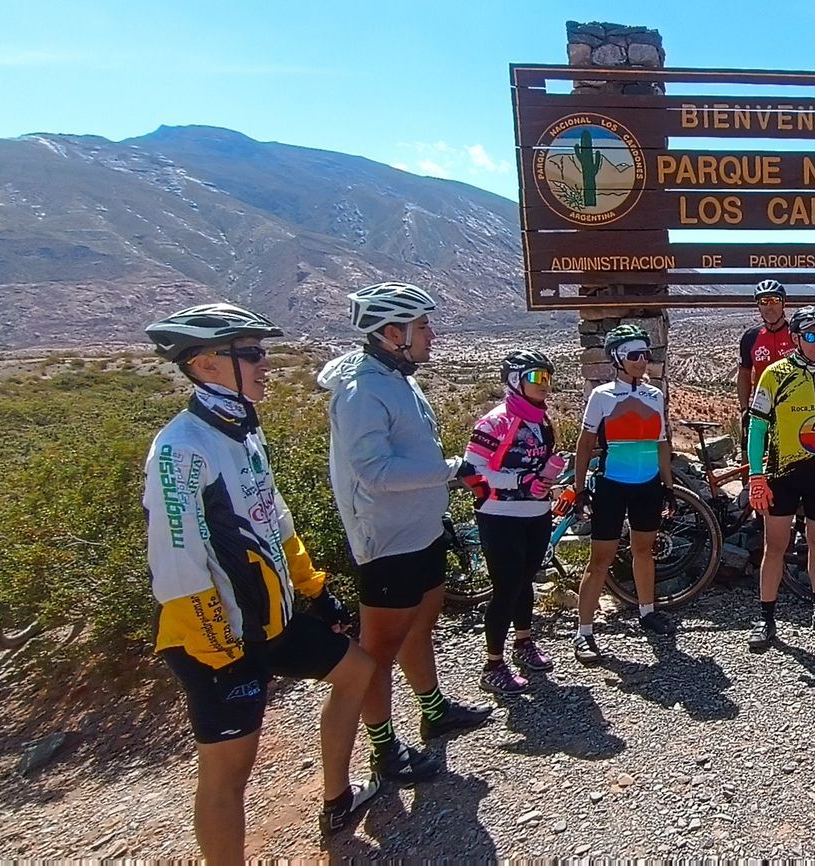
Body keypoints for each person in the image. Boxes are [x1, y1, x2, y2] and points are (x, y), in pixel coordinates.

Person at [142, 304, 420, 859]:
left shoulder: (242, 432)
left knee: (358, 669)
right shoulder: (180, 450)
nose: (265, 364)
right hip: (214, 639)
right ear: (206, 365)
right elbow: (175, 565)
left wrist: (314, 589)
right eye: (251, 354)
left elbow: (275, 520)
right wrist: (221, 648)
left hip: (272, 617)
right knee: (228, 772)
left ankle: (338, 797)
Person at [319, 281, 493, 761]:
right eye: (422, 326)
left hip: (422, 528)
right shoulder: (360, 391)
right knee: (378, 649)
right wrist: (452, 471)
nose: (431, 334)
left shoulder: (399, 378)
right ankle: (382, 747)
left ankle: (433, 710)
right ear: (391, 332)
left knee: (422, 624)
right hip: (387, 539)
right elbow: (373, 471)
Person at [745, 305, 815, 650]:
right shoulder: (774, 375)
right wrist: (756, 475)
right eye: (811, 335)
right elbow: (757, 427)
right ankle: (766, 619)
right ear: (796, 338)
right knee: (775, 546)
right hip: (782, 474)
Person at [568, 324, 677, 663]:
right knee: (600, 559)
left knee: (644, 552)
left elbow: (662, 444)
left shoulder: (654, 395)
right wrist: (579, 487)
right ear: (617, 358)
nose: (642, 361)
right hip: (613, 484)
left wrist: (669, 488)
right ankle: (584, 632)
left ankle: (647, 611)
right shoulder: (601, 396)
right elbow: (585, 444)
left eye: (645, 354)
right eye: (634, 355)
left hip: (647, 484)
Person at [461, 350, 567, 694]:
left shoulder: (541, 421)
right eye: (537, 377)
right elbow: (471, 472)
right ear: (514, 379)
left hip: (536, 513)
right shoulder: (494, 422)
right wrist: (519, 483)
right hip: (499, 515)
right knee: (505, 589)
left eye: (548, 378)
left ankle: (523, 643)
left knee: (525, 583)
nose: (544, 386)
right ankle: (492, 664)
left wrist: (547, 477)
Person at [734, 279, 796, 445]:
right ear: (758, 306)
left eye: (775, 300)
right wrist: (744, 408)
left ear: (784, 303)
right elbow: (745, 373)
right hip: (762, 405)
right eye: (764, 301)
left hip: (794, 404)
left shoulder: (797, 334)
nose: (770, 307)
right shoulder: (750, 337)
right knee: (752, 454)